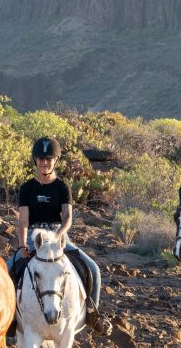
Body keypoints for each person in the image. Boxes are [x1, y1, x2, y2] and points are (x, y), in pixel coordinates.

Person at [7, 136, 110, 336]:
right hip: (34, 236)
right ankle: (10, 318)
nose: (45, 163)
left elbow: (68, 218)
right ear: (35, 160)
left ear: (55, 161)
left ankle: (92, 314)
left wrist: (58, 236)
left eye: (49, 159)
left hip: (59, 235)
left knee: (94, 270)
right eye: (41, 159)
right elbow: (23, 221)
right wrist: (21, 246)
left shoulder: (62, 187)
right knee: (7, 268)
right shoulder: (26, 188)